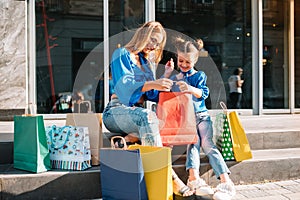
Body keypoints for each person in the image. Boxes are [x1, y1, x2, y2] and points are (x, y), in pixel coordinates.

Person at [102, 21, 194, 197]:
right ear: (142, 36)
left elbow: (152, 94)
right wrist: (153, 83)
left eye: (158, 43)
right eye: (152, 39)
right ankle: (170, 176)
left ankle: (128, 139)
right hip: (116, 112)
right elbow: (124, 87)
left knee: (158, 121)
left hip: (137, 115)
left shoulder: (145, 63)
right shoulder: (121, 54)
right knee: (148, 117)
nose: (154, 45)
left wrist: (166, 77)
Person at [168, 37, 236, 200]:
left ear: (195, 60)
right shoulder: (176, 77)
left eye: (187, 62)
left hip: (201, 117)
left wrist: (190, 89)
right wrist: (168, 74)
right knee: (193, 144)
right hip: (187, 120)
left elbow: (202, 94)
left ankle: (226, 181)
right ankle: (193, 178)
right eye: (181, 60)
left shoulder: (199, 76)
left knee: (208, 145)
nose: (183, 65)